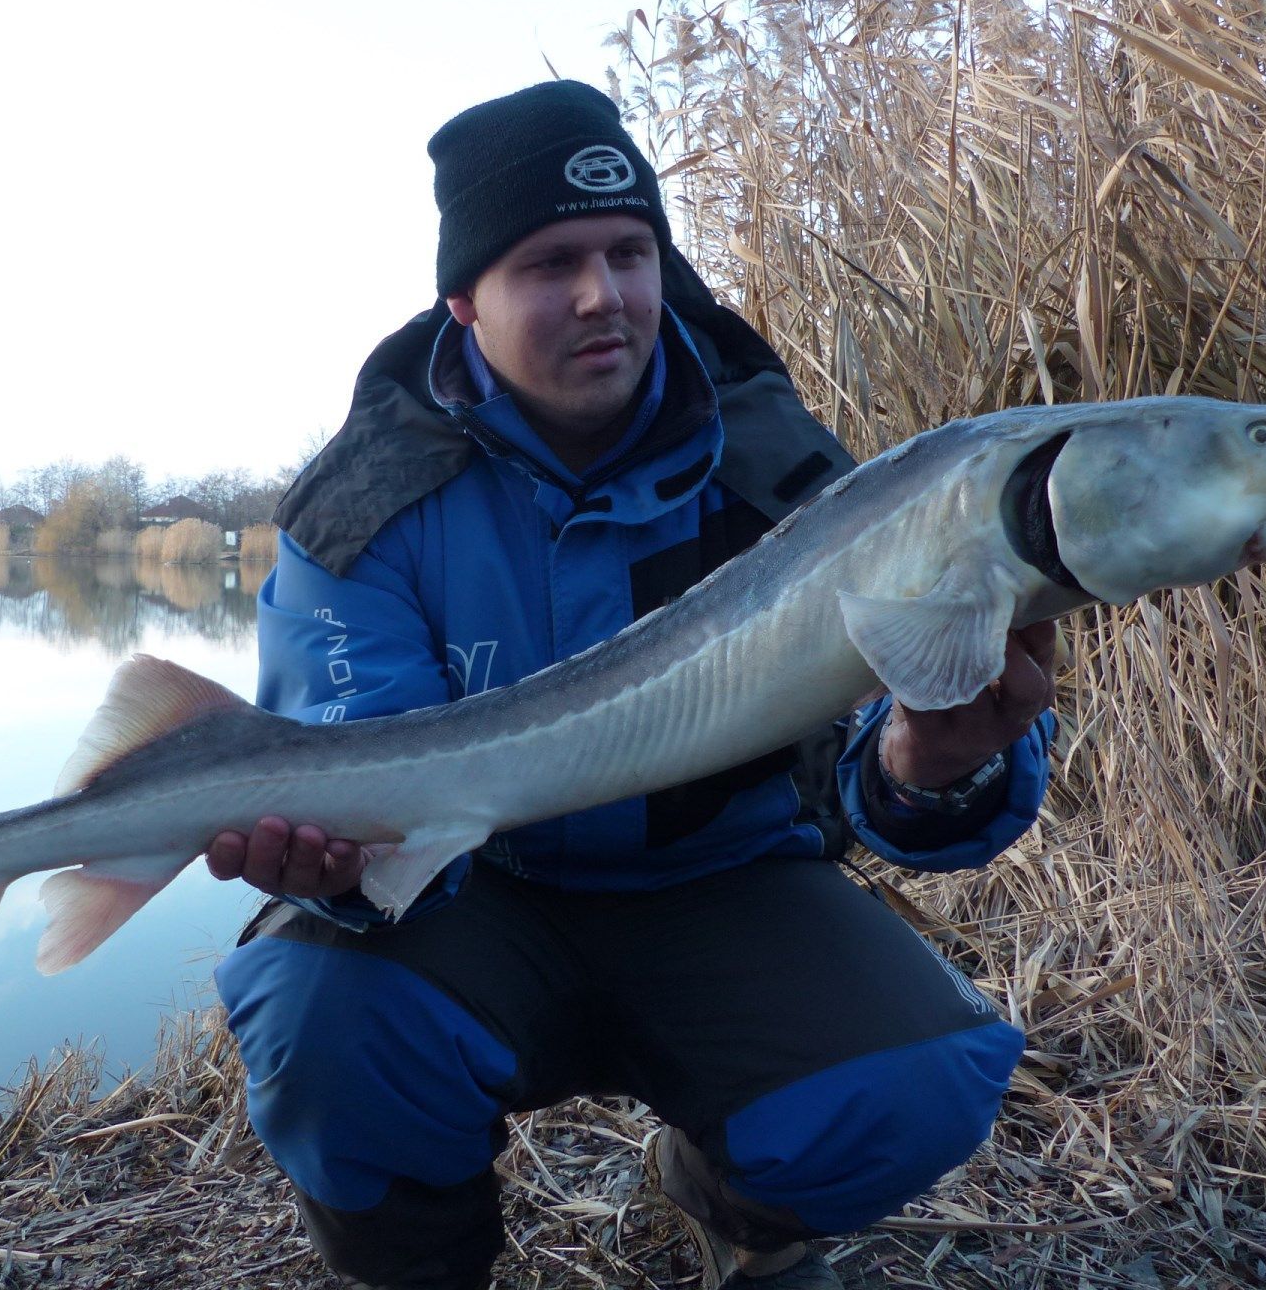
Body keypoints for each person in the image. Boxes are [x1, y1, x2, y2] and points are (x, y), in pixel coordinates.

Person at [207, 81, 1057, 1290]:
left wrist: (927, 767)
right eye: (551, 264)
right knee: (320, 1015)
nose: (603, 295)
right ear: (466, 302)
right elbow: (359, 766)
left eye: (629, 252)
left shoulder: (787, 472)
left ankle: (738, 1211)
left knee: (910, 1086)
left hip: (724, 884)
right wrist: (332, 867)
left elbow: (880, 775)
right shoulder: (363, 507)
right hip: (474, 898)